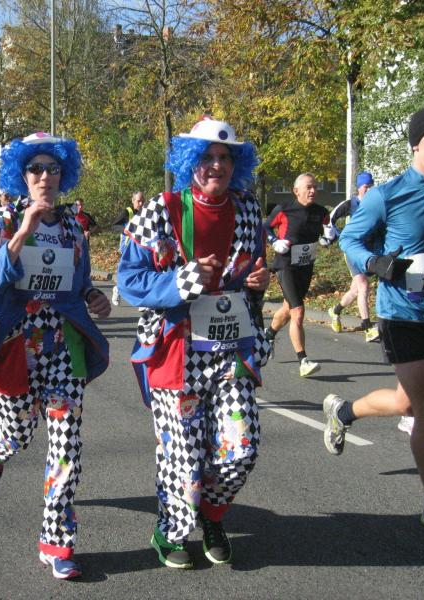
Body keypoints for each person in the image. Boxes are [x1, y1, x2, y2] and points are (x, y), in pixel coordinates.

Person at [323, 107, 424, 543]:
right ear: (416, 143)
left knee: (406, 403)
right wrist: (375, 263)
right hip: (400, 315)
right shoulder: (386, 195)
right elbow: (350, 238)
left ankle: (343, 412)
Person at [117, 117, 271, 569]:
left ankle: (213, 515)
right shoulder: (161, 209)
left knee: (241, 450)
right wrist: (182, 280)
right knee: (184, 458)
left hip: (229, 347)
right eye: (207, 157)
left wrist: (258, 281)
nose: (217, 165)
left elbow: (251, 269)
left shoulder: (248, 209)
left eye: (225, 157)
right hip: (175, 352)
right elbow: (130, 280)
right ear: (190, 162)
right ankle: (170, 530)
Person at [0, 132, 111, 580]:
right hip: (14, 348)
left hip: (63, 349)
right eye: (35, 168)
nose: (45, 176)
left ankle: (56, 543)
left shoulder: (73, 229)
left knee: (67, 445)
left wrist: (92, 296)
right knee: (18, 431)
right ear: (21, 175)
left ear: (64, 176)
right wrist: (23, 231)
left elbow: (79, 280)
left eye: (53, 169)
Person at [263, 173, 331, 377]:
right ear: (296, 191)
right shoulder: (284, 209)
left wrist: (329, 237)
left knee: (288, 308)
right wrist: (274, 241)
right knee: (298, 311)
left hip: (305, 266)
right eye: (308, 187)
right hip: (285, 266)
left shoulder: (321, 212)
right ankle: (303, 360)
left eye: (315, 187)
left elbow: (327, 230)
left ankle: (268, 334)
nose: (313, 190)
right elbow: (264, 228)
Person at [324, 171, 380, 342]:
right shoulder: (351, 204)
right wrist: (336, 235)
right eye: (365, 187)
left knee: (355, 290)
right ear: (359, 188)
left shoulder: (376, 203)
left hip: (369, 251)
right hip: (353, 250)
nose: (368, 190)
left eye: (371, 186)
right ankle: (368, 328)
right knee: (363, 286)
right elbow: (329, 219)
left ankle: (335, 311)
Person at [111, 191, 145, 306]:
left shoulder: (146, 212)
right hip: (127, 247)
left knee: (141, 272)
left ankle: (141, 301)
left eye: (143, 201)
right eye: (138, 201)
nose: (141, 204)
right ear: (133, 200)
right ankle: (117, 289)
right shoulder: (127, 212)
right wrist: (124, 230)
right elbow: (114, 226)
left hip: (141, 247)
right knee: (126, 272)